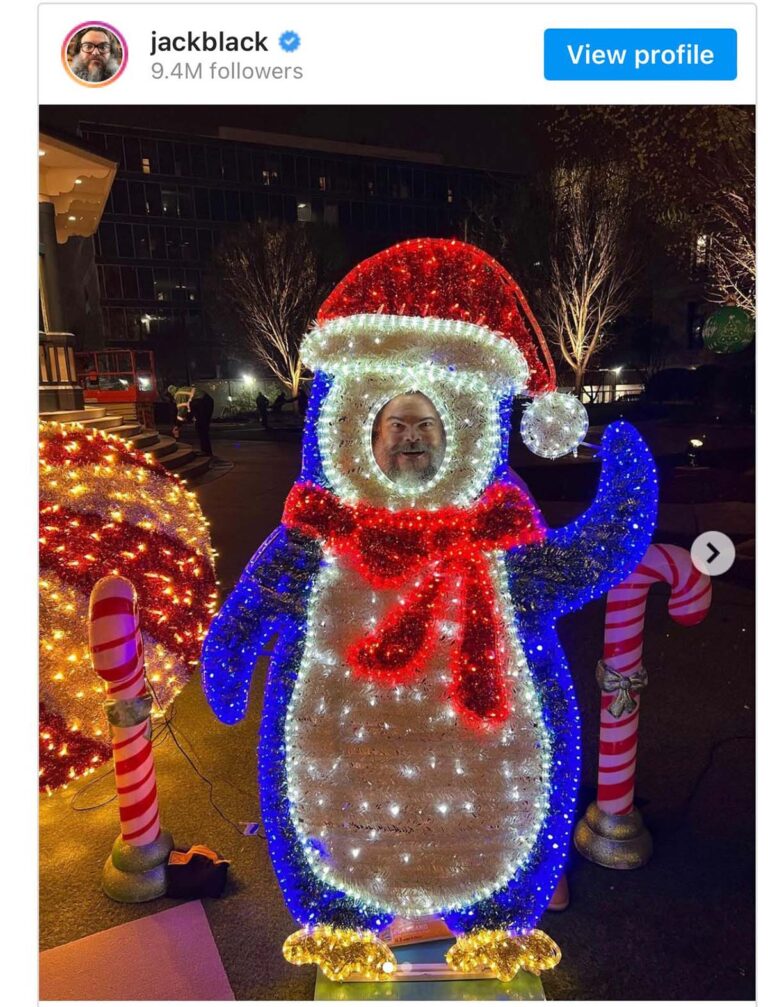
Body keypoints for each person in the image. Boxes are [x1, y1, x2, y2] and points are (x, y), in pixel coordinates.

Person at [371, 391, 446, 485]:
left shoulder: (466, 498)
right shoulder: (352, 497)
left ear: (442, 427)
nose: (412, 437)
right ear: (378, 427)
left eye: (426, 424)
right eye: (397, 425)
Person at [167, 384, 215, 456]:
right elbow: (189, 406)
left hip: (203, 403)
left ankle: (206, 452)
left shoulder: (178, 395)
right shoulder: (182, 390)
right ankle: (206, 451)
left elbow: (181, 411)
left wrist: (177, 425)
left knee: (201, 428)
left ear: (171, 394)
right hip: (206, 401)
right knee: (202, 428)